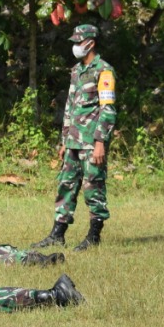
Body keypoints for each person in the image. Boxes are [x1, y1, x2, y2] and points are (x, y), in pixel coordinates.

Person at [32, 23, 117, 252]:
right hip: (73, 142)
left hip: (91, 142)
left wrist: (100, 142)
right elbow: (69, 107)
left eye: (79, 42)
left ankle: (94, 236)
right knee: (66, 185)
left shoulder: (104, 71)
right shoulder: (76, 70)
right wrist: (64, 139)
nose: (76, 46)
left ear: (91, 43)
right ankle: (57, 235)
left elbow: (108, 109)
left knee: (93, 187)